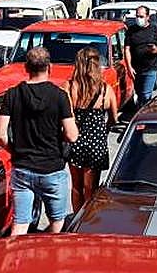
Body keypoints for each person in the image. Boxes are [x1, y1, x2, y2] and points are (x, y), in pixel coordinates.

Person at [0, 46, 78, 235]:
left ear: (26, 67)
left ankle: (16, 253)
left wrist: (14, 149)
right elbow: (72, 135)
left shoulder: (13, 94)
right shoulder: (59, 96)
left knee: (20, 223)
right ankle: (47, 249)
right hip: (52, 169)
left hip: (22, 168)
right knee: (57, 221)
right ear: (49, 67)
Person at [65, 46, 118, 208]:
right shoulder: (105, 89)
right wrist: (104, 129)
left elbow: (66, 117)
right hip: (96, 144)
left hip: (75, 142)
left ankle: (76, 216)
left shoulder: (69, 87)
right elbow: (114, 118)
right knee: (91, 188)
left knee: (76, 187)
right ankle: (88, 218)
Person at [124, 5, 157, 107]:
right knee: (139, 94)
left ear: (147, 17)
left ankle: (144, 112)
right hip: (136, 70)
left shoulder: (155, 30)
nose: (139, 19)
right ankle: (141, 111)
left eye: (141, 16)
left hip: (151, 68)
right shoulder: (131, 31)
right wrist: (129, 67)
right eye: (137, 16)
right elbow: (127, 49)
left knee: (146, 95)